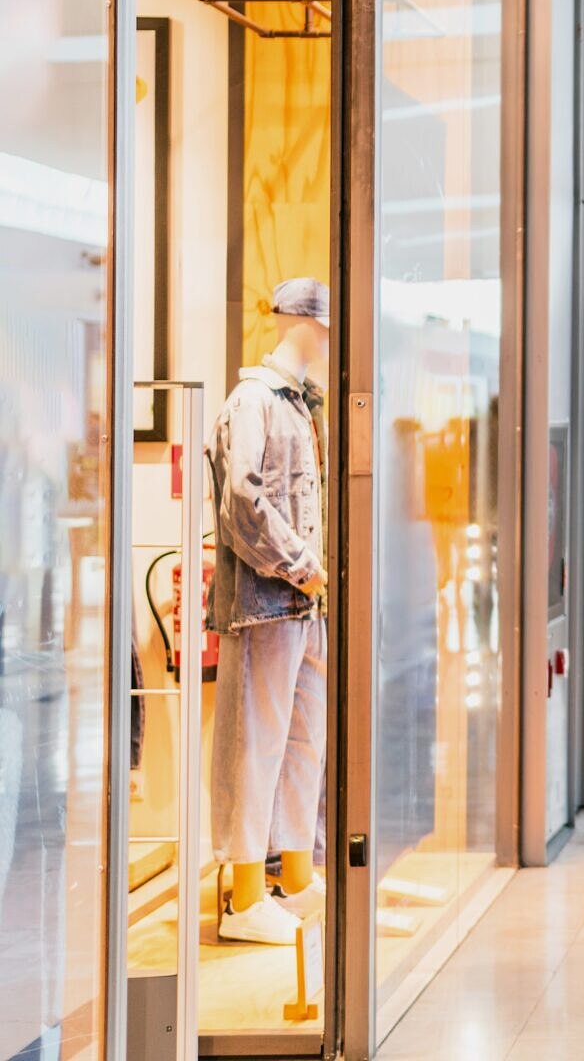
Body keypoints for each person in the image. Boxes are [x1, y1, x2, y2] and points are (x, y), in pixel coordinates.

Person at [206, 278, 330, 945]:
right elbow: (243, 504)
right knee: (254, 744)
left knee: (302, 740)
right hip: (267, 603)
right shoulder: (252, 402)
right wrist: (304, 567)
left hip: (303, 606)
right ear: (304, 324)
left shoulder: (304, 406)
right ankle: (246, 896)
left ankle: (294, 878)